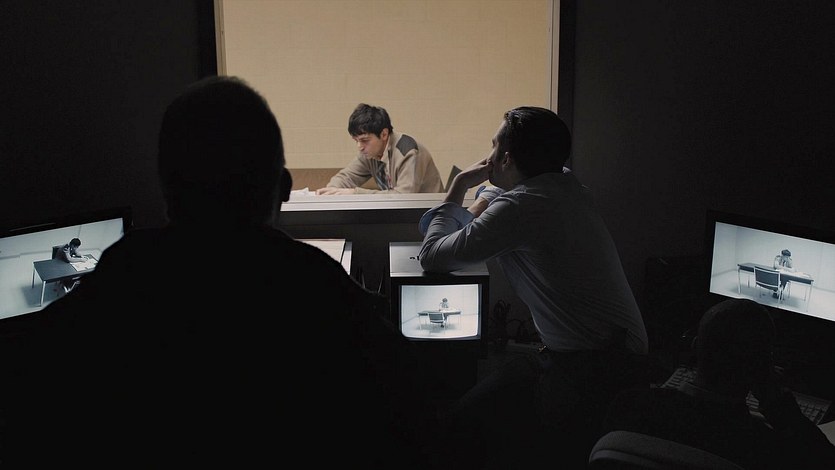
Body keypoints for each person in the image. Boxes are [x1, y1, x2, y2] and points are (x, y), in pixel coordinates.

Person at [0, 76, 436, 468]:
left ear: (165, 186)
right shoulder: (316, 283)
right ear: (282, 188)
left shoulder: (124, 271)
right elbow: (412, 403)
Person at [418, 106, 649, 468]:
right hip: (600, 351)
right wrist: (485, 198)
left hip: (599, 366)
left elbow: (432, 254)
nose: (488, 158)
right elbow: (496, 199)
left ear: (507, 158)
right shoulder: (562, 182)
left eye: (494, 148)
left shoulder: (522, 207)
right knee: (474, 411)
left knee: (469, 430)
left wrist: (460, 183)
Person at [601, 298, 835, 470]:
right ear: (762, 368)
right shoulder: (764, 449)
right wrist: (776, 403)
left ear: (695, 347)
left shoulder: (628, 406)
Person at [315, 103, 444, 194]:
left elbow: (404, 198)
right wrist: (332, 191)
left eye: (364, 140)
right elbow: (346, 177)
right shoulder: (370, 152)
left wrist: (355, 193)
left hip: (429, 216)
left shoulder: (407, 151)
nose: (359, 147)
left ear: (384, 134)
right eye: (356, 141)